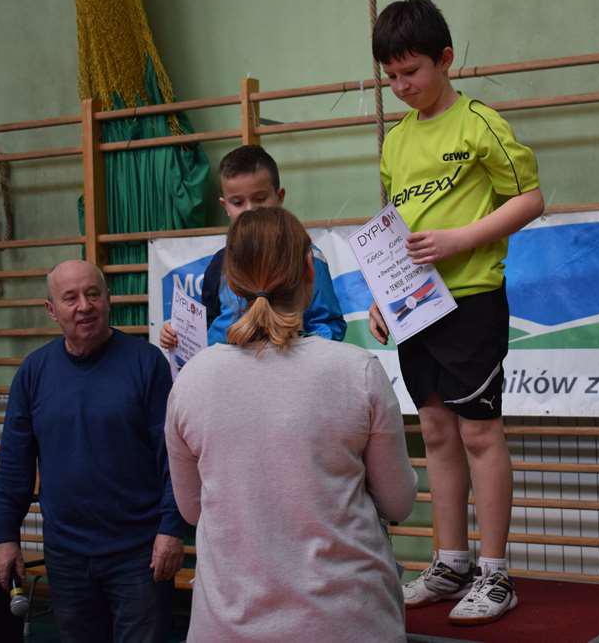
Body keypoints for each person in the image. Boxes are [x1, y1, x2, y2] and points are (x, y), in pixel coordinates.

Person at [369, 0, 544, 625]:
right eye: (391, 77)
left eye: (411, 72)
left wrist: (461, 240)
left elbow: (529, 200)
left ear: (445, 59)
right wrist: (382, 297)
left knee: (478, 431)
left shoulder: (480, 124)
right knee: (437, 431)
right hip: (414, 307)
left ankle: (496, 573)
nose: (401, 87)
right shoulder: (395, 142)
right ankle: (450, 562)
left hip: (472, 299)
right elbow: (393, 229)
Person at [165, 207, 416, 642]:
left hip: (229, 626)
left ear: (230, 282)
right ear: (309, 273)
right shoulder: (356, 371)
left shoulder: (192, 380)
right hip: (347, 624)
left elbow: (192, 510)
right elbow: (398, 502)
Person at [0, 260, 186, 643]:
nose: (85, 306)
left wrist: (171, 529)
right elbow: (14, 464)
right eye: (71, 298)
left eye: (93, 294)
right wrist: (4, 536)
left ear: (108, 299)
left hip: (140, 555)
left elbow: (173, 459)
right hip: (66, 557)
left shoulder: (146, 363)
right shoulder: (33, 373)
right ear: (52, 310)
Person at [160, 144, 345, 350]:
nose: (250, 210)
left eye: (260, 199)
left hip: (288, 364)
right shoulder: (220, 262)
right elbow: (206, 326)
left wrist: (294, 350)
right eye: (238, 202)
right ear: (225, 206)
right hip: (225, 366)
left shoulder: (305, 256)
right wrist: (179, 335)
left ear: (279, 197)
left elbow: (329, 326)